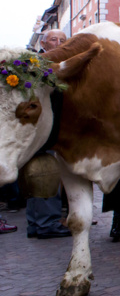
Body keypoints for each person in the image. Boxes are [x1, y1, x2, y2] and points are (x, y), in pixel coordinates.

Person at [25, 29, 72, 239]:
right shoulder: (38, 65)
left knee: (36, 174)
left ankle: (36, 223)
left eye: (63, 40)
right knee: (45, 173)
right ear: (44, 43)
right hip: (43, 131)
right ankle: (47, 223)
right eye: (54, 39)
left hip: (44, 132)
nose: (59, 43)